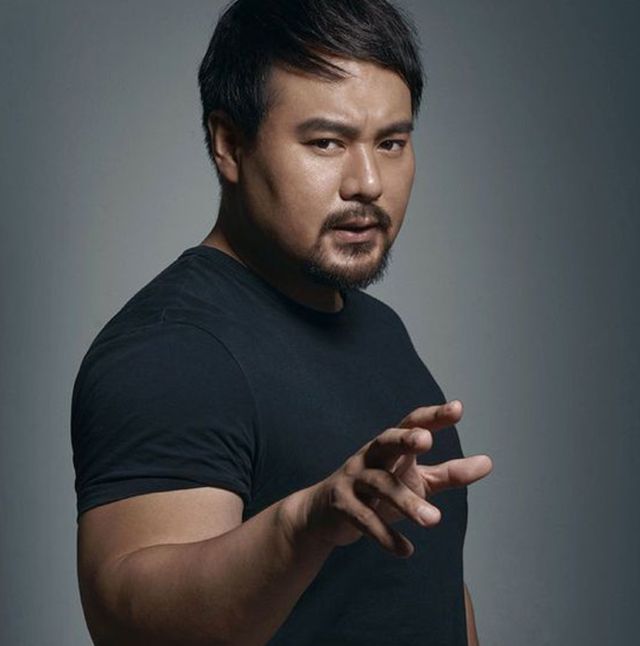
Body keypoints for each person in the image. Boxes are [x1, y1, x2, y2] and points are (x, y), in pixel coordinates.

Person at [71, 0, 493, 644]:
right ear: (229, 144)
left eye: (391, 143)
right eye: (326, 142)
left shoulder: (377, 327)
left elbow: (425, 588)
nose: (368, 182)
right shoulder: (172, 348)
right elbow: (131, 623)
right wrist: (302, 525)